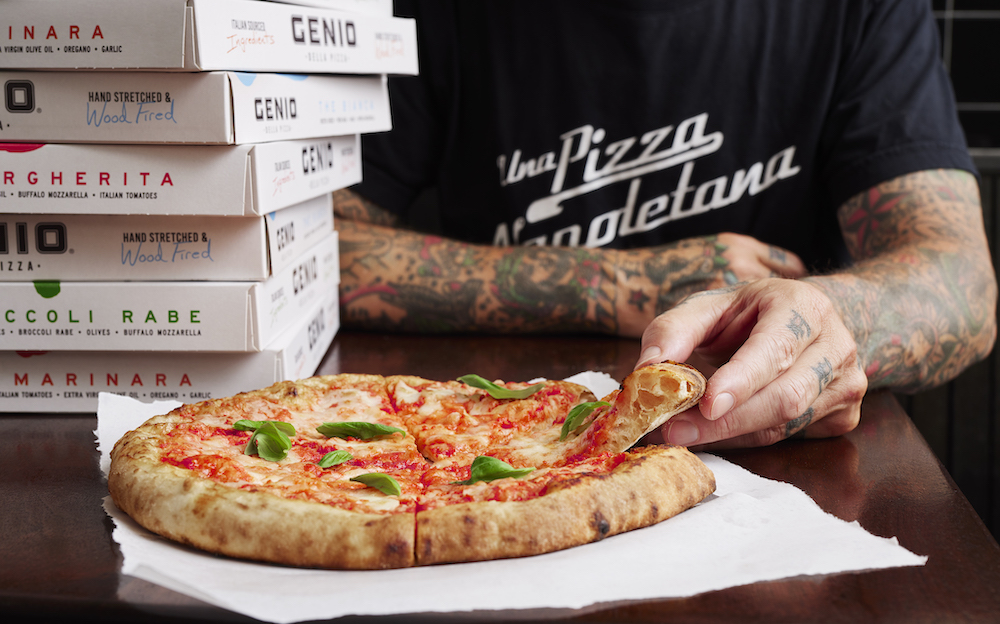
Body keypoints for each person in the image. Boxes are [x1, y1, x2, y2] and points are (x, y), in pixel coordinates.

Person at [334, 0, 997, 450]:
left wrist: (825, 318)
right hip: (474, 440)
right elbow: (302, 256)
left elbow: (962, 282)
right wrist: (628, 283)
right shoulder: (432, 13)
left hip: (774, 460)